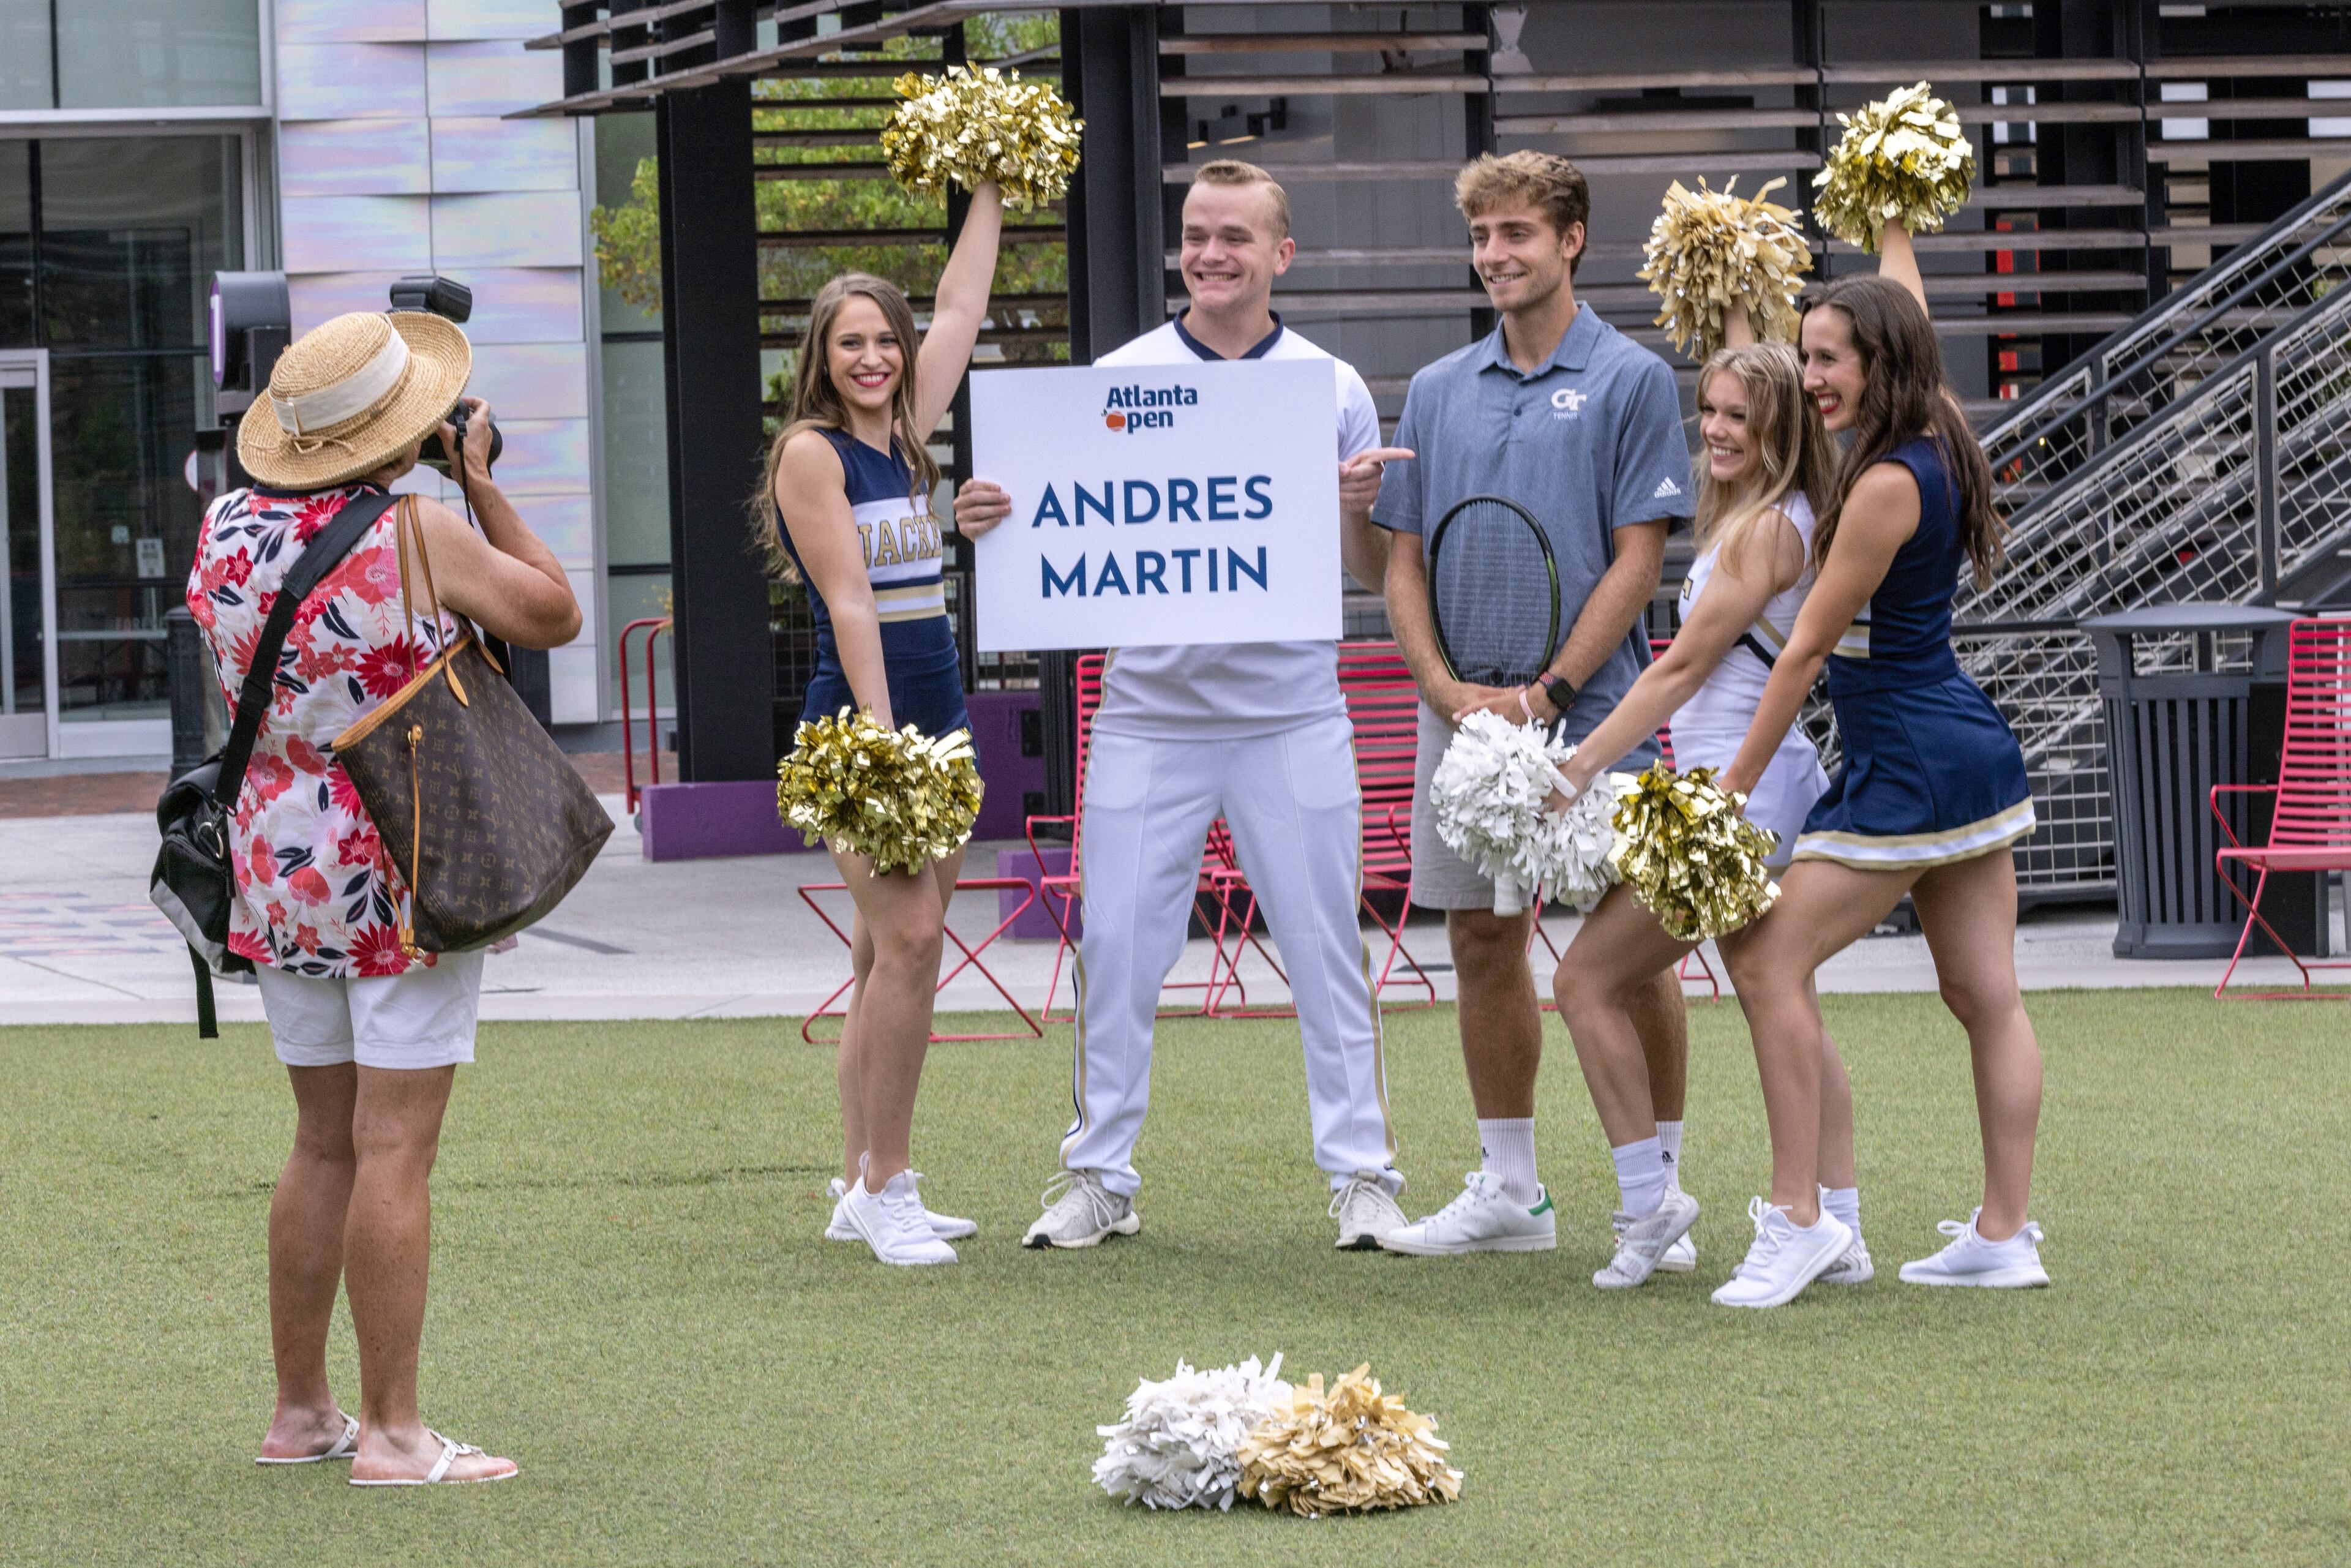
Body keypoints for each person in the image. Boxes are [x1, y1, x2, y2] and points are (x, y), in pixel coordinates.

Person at [954, 159, 1415, 1250]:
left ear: (1281, 255)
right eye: (1197, 235)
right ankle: (1100, 1176)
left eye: (1235, 238)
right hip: (1148, 716)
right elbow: (1067, 520)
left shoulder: (1330, 384)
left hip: (1292, 712)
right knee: (1115, 945)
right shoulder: (1118, 375)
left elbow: (1364, 564)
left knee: (1326, 949)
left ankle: (1363, 1176)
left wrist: (1359, 507)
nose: (1211, 254)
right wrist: (992, 519)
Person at [191, 309, 580, 1483]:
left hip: (279, 867)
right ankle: (398, 1433)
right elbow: (553, 609)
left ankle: (302, 1412)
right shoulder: (420, 528)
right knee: (396, 1149)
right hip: (404, 864)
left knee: (322, 1146)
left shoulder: (224, 529)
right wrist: (480, 483)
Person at [1708, 224, 2046, 1307]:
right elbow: (1900, 301)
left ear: (1882, 364)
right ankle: (2005, 1233)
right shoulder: (1936, 432)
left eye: (1825, 360)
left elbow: (1804, 648)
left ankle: (1802, 1217)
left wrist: (1727, 794)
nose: (1807, 380)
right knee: (1984, 993)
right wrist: (1890, 232)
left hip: (1908, 755)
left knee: (1765, 960)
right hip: (1958, 743)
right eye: (1803, 357)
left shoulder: (1887, 482)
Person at [1371, 151, 1697, 1257]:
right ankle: (1513, 1193)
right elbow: (1401, 560)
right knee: (1477, 935)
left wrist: (1547, 691)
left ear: (1571, 239)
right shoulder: (1434, 388)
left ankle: (1662, 1193)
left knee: (1630, 949)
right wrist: (1445, 689)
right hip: (1462, 718)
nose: (1495, 256)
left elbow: (1637, 562)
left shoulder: (1633, 379)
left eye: (1516, 233)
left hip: (1594, 713)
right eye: (1481, 238)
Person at [1547, 341, 1874, 1291]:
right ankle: (1841, 1226)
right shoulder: (1771, 516)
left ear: (1782, 425)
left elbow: (1682, 669)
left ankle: (1649, 1203)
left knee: (1585, 983)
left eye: (1743, 415)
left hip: (1730, 796)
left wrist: (1580, 763)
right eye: (1713, 410)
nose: (1720, 430)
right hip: (1746, 787)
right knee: (1784, 999)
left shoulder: (1773, 527)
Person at [760, 182, 1006, 1267]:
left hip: (942, 715)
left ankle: (862, 1181)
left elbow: (960, 304)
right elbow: (850, 600)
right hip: (862, 730)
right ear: (822, 356)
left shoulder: (909, 434)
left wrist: (991, 176)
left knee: (881, 955)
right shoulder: (813, 454)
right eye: (851, 343)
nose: (875, 357)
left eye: (886, 342)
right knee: (911, 943)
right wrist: (881, 738)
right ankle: (889, 1183)